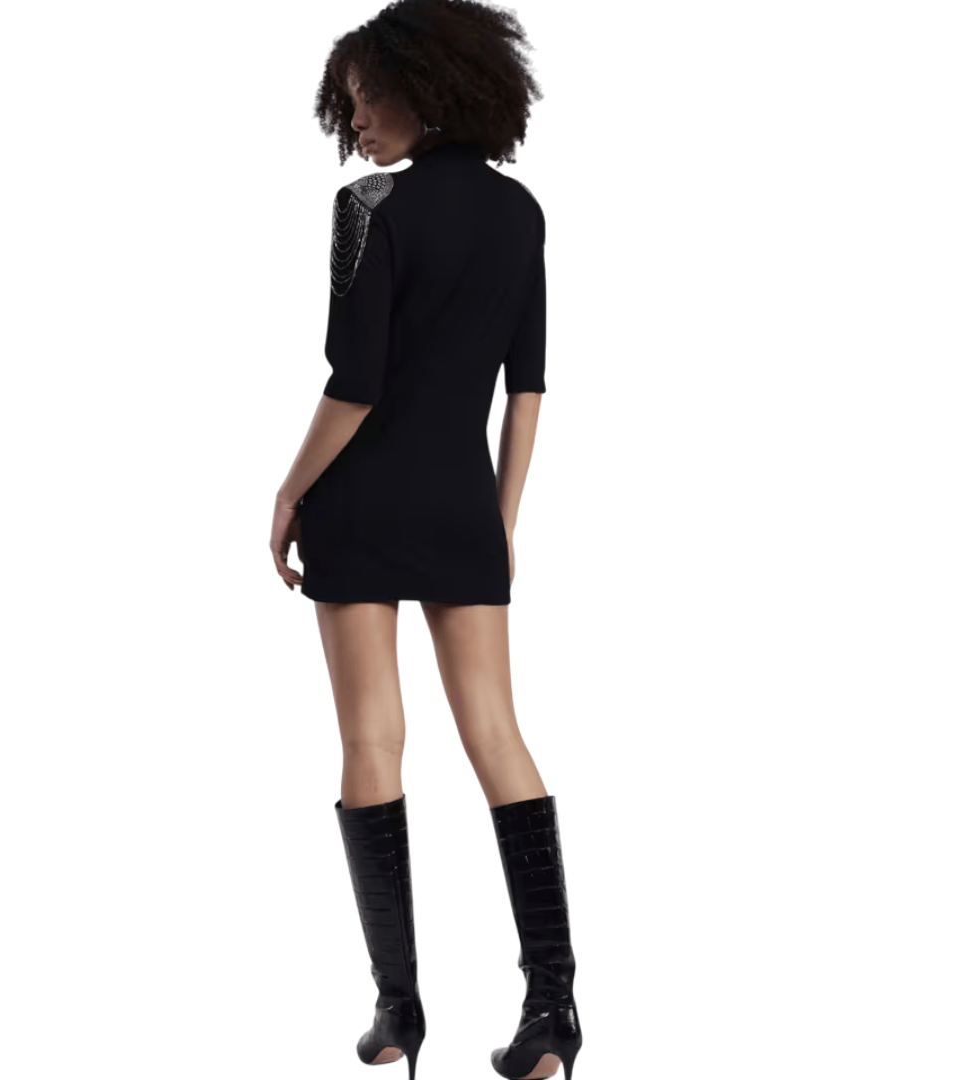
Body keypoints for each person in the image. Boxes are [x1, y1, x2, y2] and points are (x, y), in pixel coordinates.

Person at [269, 4, 580, 1078]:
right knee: (497, 733)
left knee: (370, 740)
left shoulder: (366, 206)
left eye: (368, 100)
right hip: (460, 509)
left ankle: (397, 1016)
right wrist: (504, 522)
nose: (355, 122)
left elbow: (353, 386)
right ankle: (552, 1014)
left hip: (359, 503)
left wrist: (287, 492)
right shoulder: (521, 209)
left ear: (428, 91)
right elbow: (528, 390)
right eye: (348, 105)